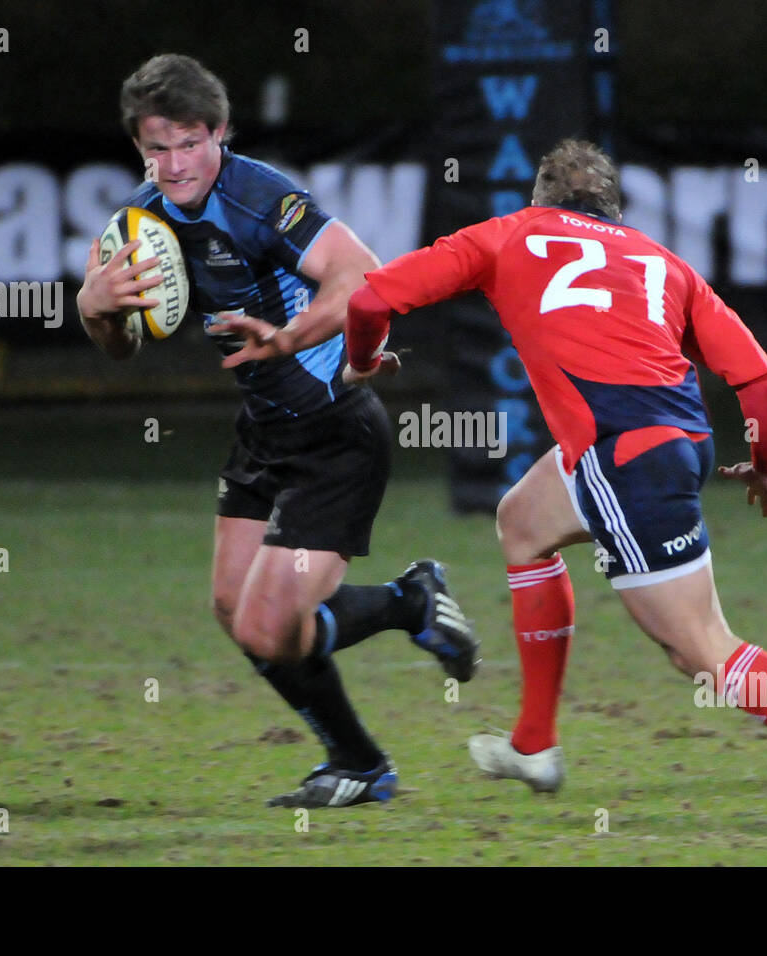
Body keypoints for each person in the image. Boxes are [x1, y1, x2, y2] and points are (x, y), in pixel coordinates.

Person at [343, 139, 767, 831]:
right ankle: (535, 744)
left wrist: (365, 362)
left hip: (623, 459)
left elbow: (370, 297)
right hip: (675, 442)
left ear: (538, 199)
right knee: (524, 523)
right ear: (613, 209)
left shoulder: (507, 235)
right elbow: (761, 380)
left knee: (701, 649)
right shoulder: (662, 262)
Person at [75, 54, 478, 809]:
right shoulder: (138, 221)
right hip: (263, 429)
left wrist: (291, 337)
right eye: (156, 147)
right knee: (234, 612)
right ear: (138, 147)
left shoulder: (260, 197)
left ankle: (408, 602)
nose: (174, 163)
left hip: (334, 433)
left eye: (188, 142)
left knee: (268, 626)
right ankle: (360, 765)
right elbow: (123, 345)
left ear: (219, 131)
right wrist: (95, 307)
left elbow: (364, 277)